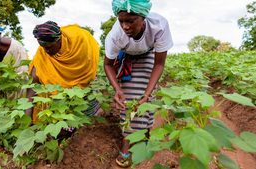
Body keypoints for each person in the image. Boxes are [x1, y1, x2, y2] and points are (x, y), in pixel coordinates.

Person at [104, 0, 173, 167]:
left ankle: (145, 132)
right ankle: (127, 141)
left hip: (150, 54)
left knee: (145, 96)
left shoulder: (159, 26)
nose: (125, 26)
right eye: (121, 21)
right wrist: (117, 89)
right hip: (126, 55)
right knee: (128, 99)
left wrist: (148, 93)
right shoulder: (115, 35)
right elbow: (107, 65)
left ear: (143, 18)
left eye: (130, 20)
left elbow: (159, 64)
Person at [26, 21, 100, 123]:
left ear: (59, 40)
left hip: (85, 89)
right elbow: (33, 88)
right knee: (61, 130)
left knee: (87, 125)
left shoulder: (80, 42)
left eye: (49, 47)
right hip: (58, 106)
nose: (46, 51)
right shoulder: (42, 55)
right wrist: (28, 120)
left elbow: (90, 61)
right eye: (43, 47)